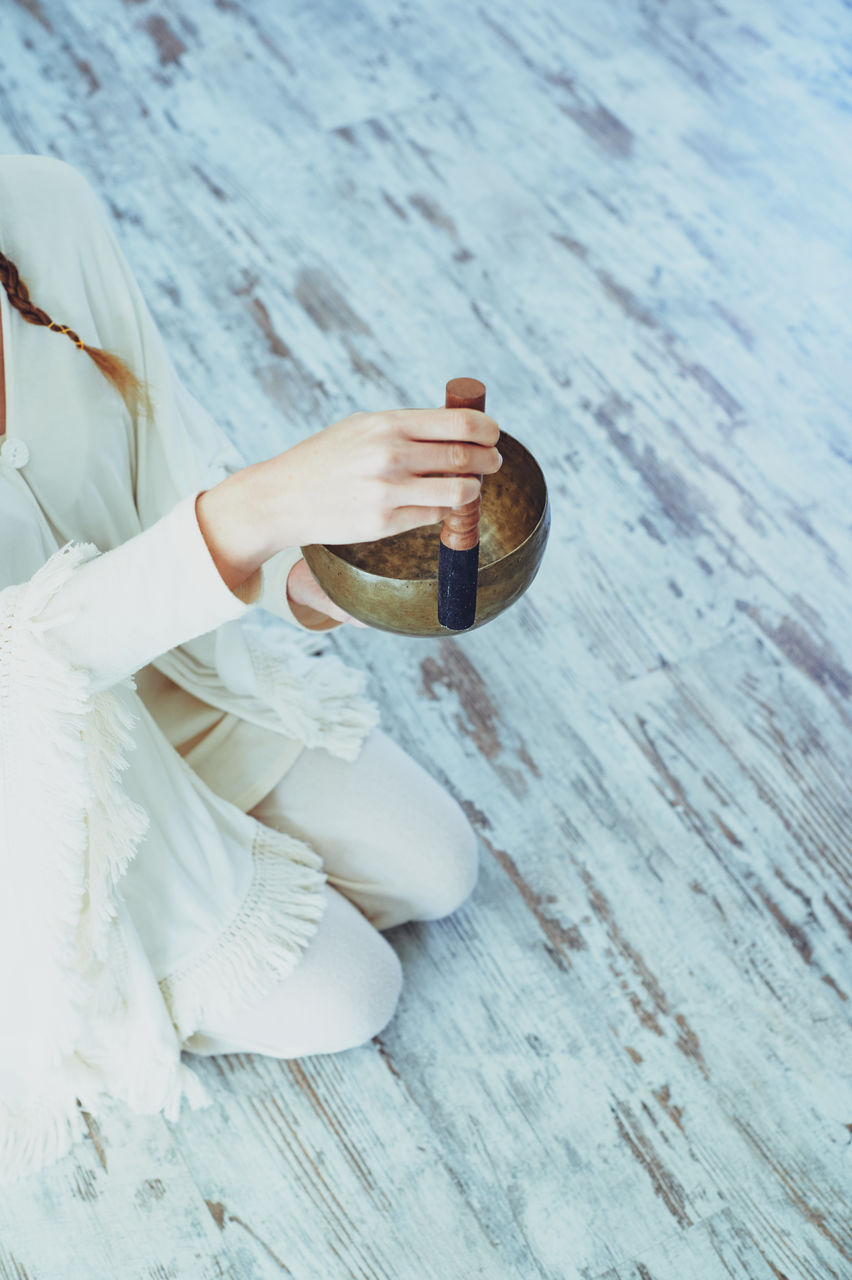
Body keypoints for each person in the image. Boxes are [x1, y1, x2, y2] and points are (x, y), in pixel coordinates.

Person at [0, 153, 503, 1181]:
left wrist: (314, 572)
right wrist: (257, 511)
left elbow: (167, 462)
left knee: (438, 864)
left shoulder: (39, 204)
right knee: (351, 991)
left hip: (169, 673)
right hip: (36, 780)